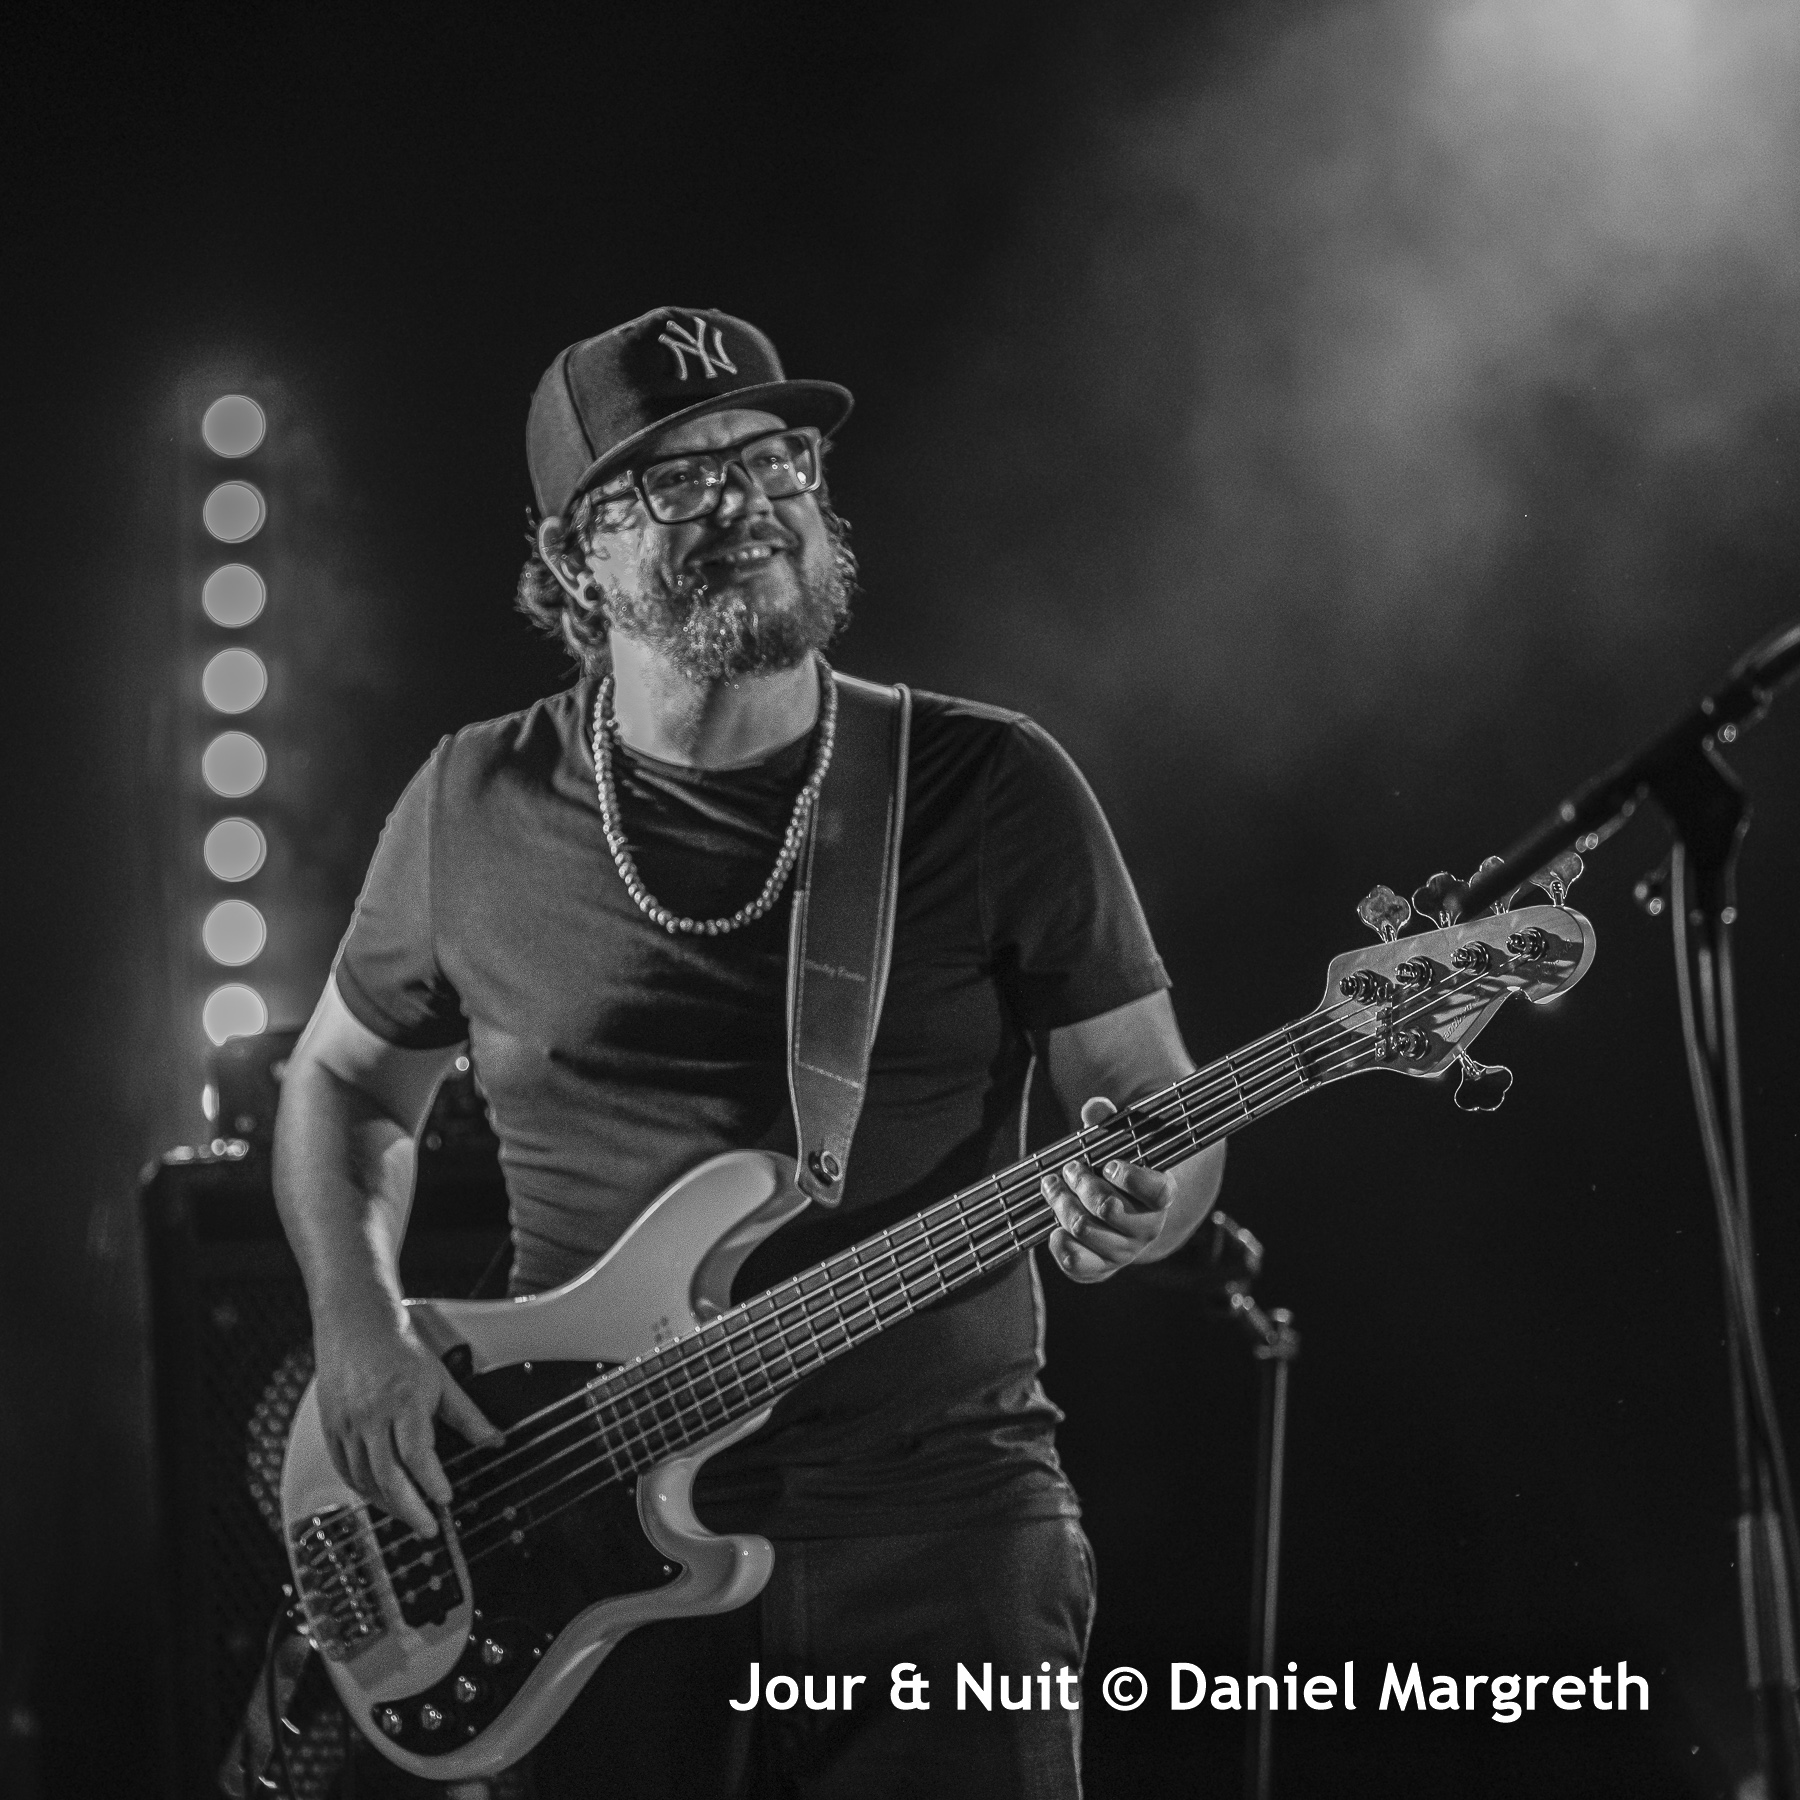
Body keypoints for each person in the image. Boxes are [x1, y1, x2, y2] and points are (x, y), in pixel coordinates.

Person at [272, 306, 1225, 1799]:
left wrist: (1147, 1200)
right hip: (565, 1533)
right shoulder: (470, 802)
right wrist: (357, 1322)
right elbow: (340, 1081)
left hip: (938, 1528)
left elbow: (1154, 1096)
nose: (751, 503)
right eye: (680, 477)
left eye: (776, 458)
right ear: (574, 555)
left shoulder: (989, 784)